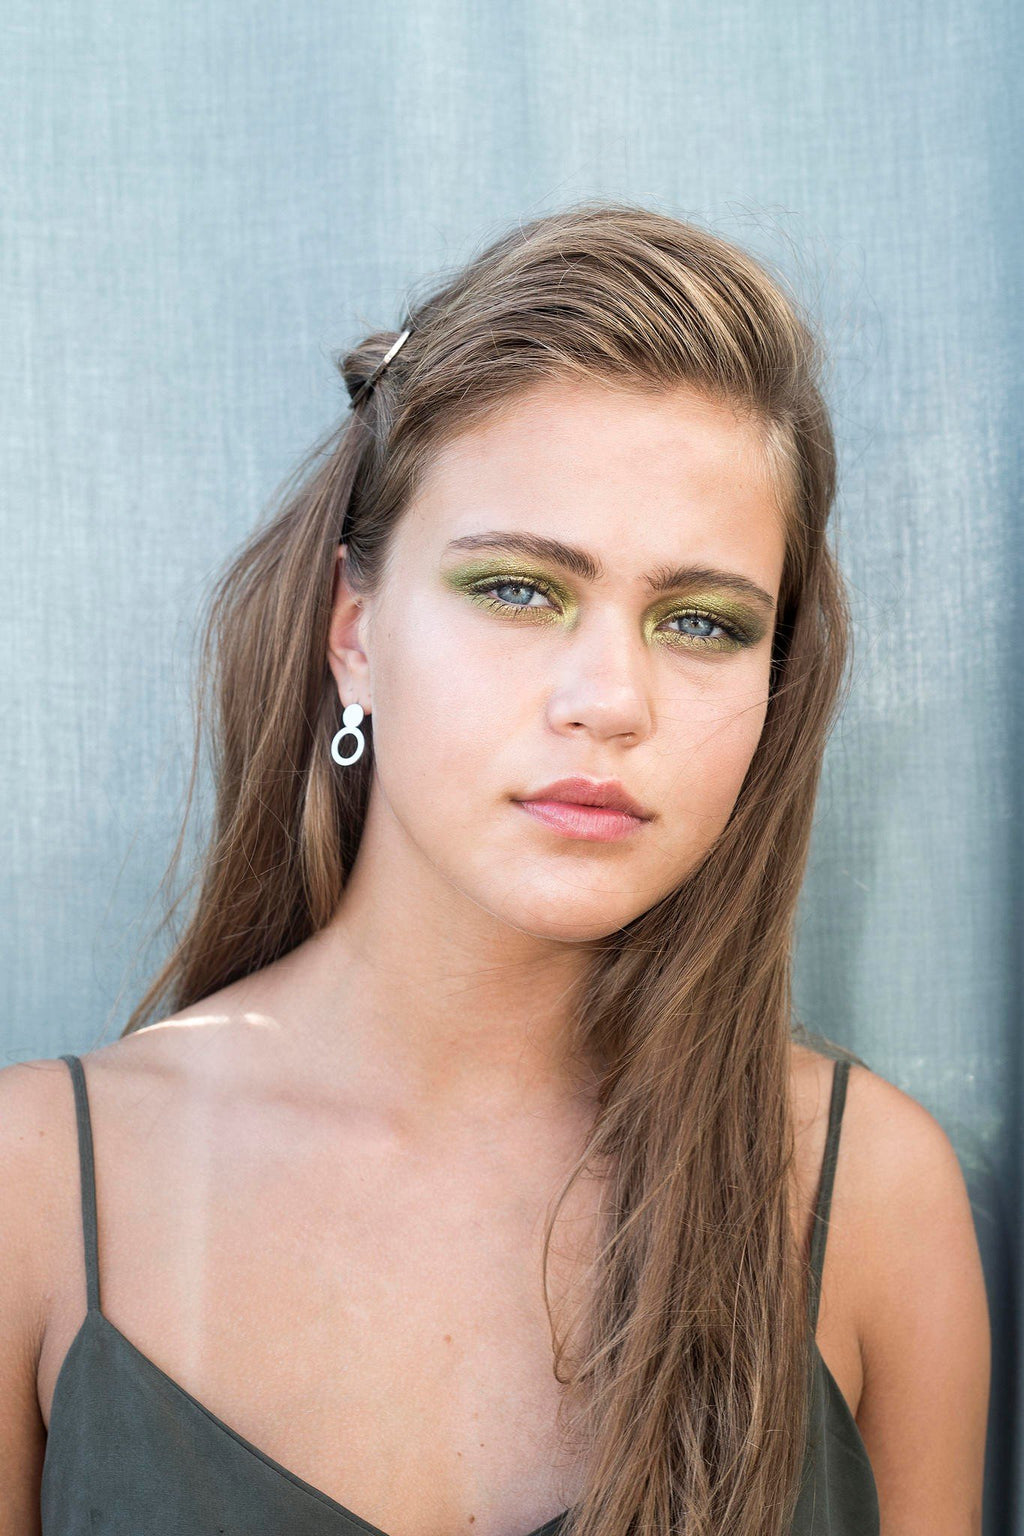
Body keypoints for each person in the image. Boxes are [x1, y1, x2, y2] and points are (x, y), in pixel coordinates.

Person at [1, 201, 989, 1535]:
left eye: (700, 620)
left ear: (771, 686)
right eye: (520, 589)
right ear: (354, 632)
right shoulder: (38, 1188)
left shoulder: (865, 1194)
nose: (610, 698)